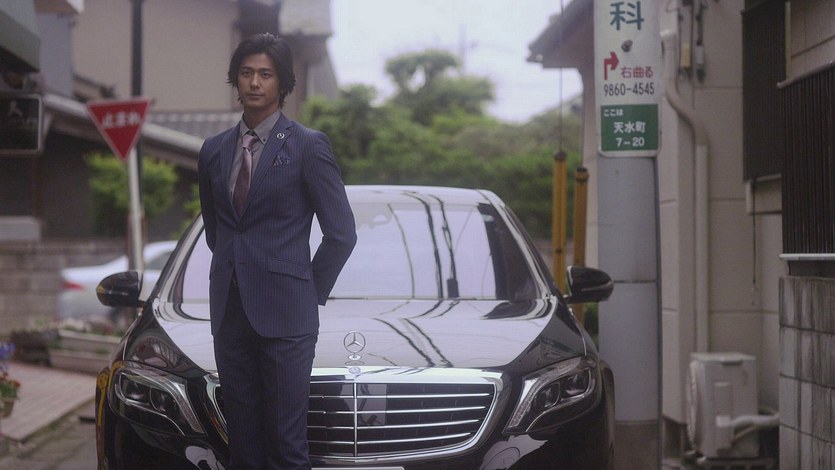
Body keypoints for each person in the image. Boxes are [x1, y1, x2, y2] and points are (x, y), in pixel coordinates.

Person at [197, 33, 357, 469]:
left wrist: (306, 289)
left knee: (286, 446)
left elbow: (341, 234)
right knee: (243, 445)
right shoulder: (213, 151)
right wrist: (236, 273)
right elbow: (219, 231)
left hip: (288, 316)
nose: (254, 83)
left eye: (265, 74)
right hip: (230, 312)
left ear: (282, 83)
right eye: (246, 73)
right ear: (235, 79)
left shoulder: (307, 145)